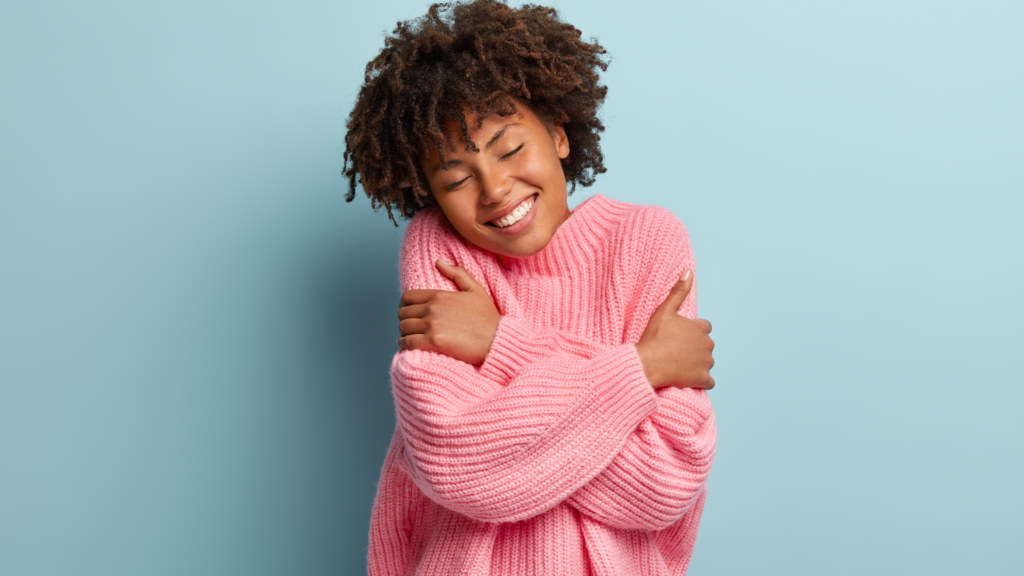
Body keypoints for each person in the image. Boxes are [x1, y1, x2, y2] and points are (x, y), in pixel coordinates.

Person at [342, 1, 717, 574]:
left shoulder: (648, 240)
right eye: (457, 178)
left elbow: (663, 480)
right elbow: (454, 462)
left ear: (561, 136)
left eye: (510, 148)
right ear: (433, 197)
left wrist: (498, 345)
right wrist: (642, 370)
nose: (493, 189)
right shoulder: (439, 248)